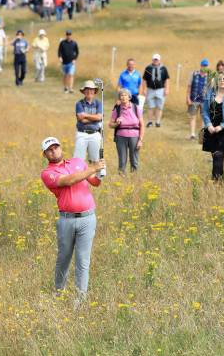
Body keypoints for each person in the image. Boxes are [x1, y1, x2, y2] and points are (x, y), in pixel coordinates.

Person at [40, 136, 105, 306]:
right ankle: (59, 293)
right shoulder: (48, 173)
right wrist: (93, 167)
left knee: (83, 260)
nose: (54, 151)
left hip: (87, 218)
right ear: (45, 154)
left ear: (61, 148)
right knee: (64, 258)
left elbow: (95, 183)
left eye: (56, 147)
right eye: (50, 150)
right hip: (66, 220)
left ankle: (80, 299)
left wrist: (100, 171)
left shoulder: (78, 162)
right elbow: (69, 181)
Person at [201, 74, 224, 181]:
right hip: (211, 130)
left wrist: (222, 126)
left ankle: (215, 182)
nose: (222, 81)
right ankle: (220, 183)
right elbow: (204, 111)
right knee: (216, 157)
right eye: (220, 79)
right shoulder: (209, 93)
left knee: (218, 155)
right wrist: (208, 124)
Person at [109, 89, 145, 173]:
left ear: (129, 97)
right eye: (121, 95)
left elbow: (142, 125)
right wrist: (116, 123)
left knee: (134, 160)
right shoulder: (117, 109)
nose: (123, 97)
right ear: (119, 98)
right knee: (122, 159)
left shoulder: (136, 108)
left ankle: (134, 178)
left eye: (125, 95)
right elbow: (110, 124)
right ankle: (121, 177)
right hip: (120, 136)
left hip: (134, 136)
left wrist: (140, 140)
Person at [74, 80, 103, 164]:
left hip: (95, 134)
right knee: (79, 160)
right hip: (82, 133)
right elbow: (80, 118)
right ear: (83, 92)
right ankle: (80, 176)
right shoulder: (79, 103)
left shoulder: (98, 103)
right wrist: (95, 118)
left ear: (94, 91)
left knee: (95, 160)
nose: (89, 91)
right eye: (87, 89)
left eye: (91, 89)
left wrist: (85, 115)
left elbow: (99, 117)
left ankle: (94, 176)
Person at [142, 53, 170, 127]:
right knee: (150, 106)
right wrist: (144, 89)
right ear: (152, 59)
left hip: (160, 89)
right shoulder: (148, 68)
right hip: (150, 89)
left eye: (157, 59)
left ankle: (158, 122)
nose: (155, 61)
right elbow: (144, 79)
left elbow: (167, 79)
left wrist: (167, 89)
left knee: (159, 106)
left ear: (159, 60)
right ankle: (150, 121)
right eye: (154, 59)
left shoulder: (163, 68)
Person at [186, 59, 210, 139]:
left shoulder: (209, 77)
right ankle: (192, 134)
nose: (204, 67)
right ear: (201, 66)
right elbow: (189, 87)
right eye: (203, 65)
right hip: (194, 99)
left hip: (205, 101)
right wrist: (188, 98)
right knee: (192, 116)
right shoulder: (194, 74)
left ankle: (202, 135)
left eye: (206, 66)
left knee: (204, 118)